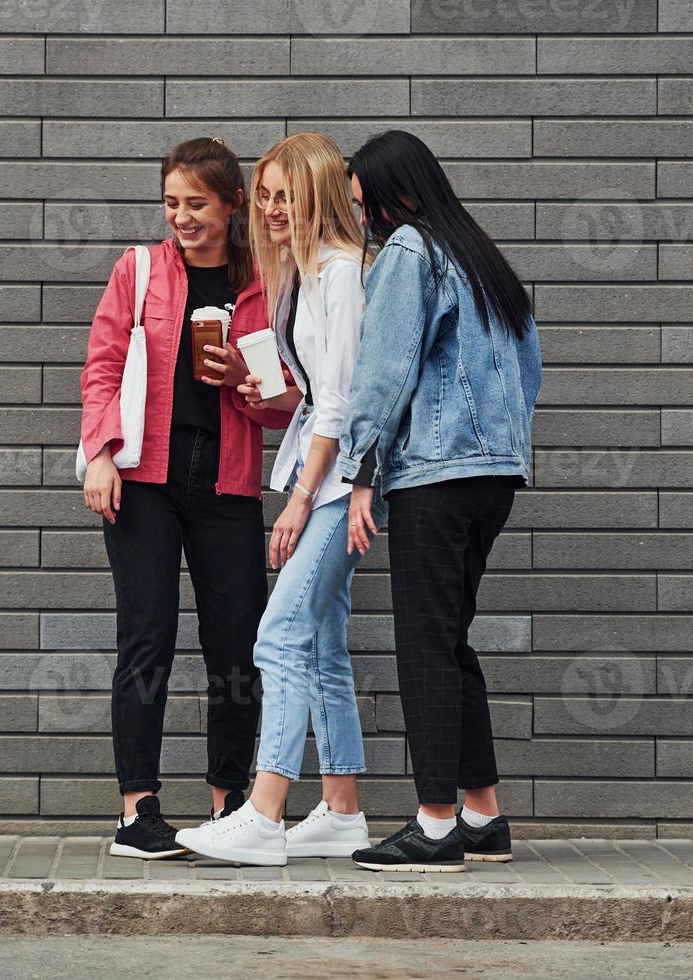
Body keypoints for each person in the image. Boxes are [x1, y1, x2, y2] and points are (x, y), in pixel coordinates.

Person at [79, 137, 296, 859]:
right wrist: (101, 455)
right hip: (144, 479)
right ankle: (138, 812)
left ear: (234, 204)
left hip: (227, 481)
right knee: (149, 637)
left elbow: (283, 405)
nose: (182, 217)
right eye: (172, 203)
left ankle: (231, 804)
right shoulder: (138, 270)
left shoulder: (265, 282)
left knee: (237, 646)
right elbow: (103, 367)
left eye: (197, 203)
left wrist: (242, 374)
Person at [338, 130, 542, 873]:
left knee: (425, 645)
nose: (366, 222)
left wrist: (361, 470)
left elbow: (384, 372)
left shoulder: (409, 252)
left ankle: (434, 824)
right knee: (451, 641)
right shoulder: (481, 256)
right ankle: (483, 817)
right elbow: (531, 372)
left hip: (434, 474)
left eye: (368, 206)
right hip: (494, 478)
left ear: (402, 194)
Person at [176, 132, 378, 866]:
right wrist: (272, 389)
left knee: (278, 635)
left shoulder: (342, 273)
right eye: (262, 198)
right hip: (317, 475)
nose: (268, 210)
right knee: (321, 642)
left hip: (329, 487)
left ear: (318, 195)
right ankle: (343, 810)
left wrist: (298, 500)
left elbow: (346, 404)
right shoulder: (302, 274)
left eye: (282, 197)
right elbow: (316, 394)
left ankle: (263, 814)